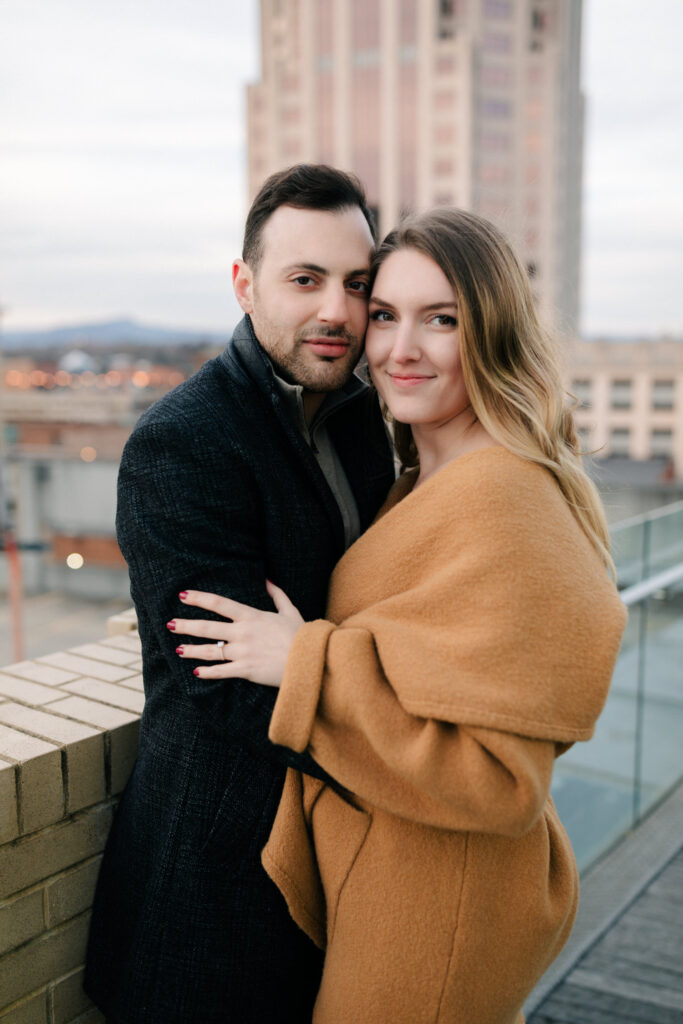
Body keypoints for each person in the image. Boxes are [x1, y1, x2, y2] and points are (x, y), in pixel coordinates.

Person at [172, 208, 628, 1024]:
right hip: (406, 872)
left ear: (491, 332)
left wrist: (303, 660)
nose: (397, 349)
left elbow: (498, 784)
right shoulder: (421, 471)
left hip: (442, 899)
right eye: (382, 316)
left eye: (440, 320)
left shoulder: (501, 497)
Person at [84, 164, 396, 1024]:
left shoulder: (370, 421)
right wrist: (416, 739)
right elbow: (222, 690)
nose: (336, 309)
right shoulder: (183, 443)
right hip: (215, 884)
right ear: (245, 284)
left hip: (336, 866)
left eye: (356, 284)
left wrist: (313, 659)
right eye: (305, 280)